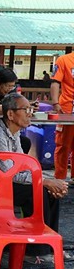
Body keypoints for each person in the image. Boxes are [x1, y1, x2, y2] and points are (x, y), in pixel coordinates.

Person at [0, 93, 70, 263]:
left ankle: (48, 245)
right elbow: (10, 173)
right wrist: (45, 181)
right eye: (25, 109)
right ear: (10, 114)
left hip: (1, 179)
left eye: (30, 109)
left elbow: (21, 166)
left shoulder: (13, 132)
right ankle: (34, 250)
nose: (30, 113)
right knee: (37, 192)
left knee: (50, 194)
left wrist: (48, 182)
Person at [51, 52, 74, 183]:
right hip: (67, 110)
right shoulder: (64, 60)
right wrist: (55, 103)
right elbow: (55, 82)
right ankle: (59, 178)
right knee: (63, 145)